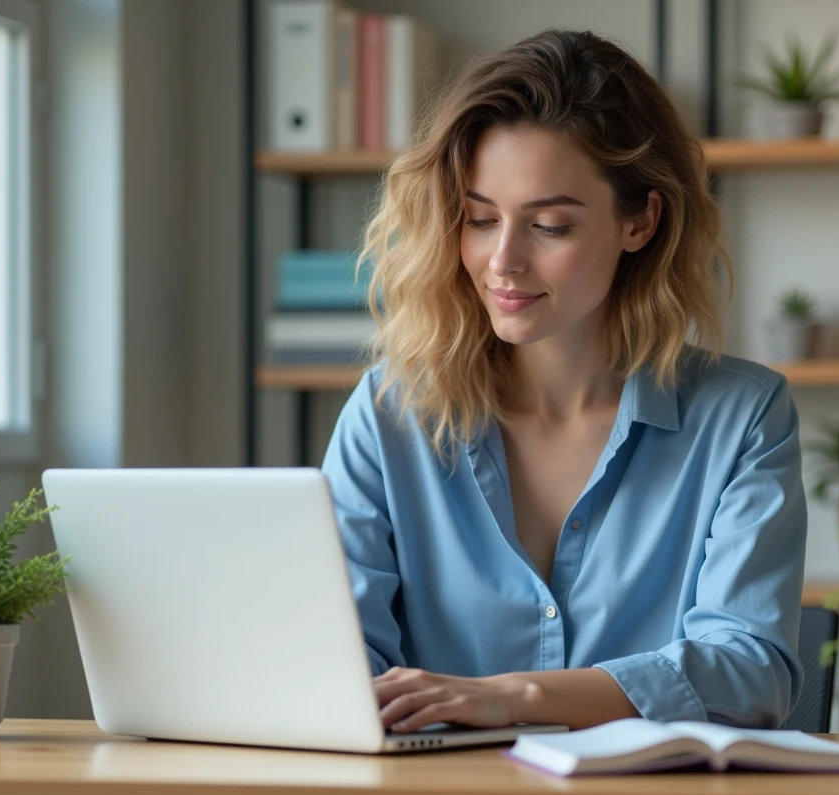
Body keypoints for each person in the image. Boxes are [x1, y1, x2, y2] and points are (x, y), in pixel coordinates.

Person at [321, 28, 806, 736]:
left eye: (549, 225)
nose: (502, 261)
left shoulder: (743, 418)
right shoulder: (390, 414)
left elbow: (749, 669)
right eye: (479, 219)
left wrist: (519, 699)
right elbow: (338, 662)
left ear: (640, 220)